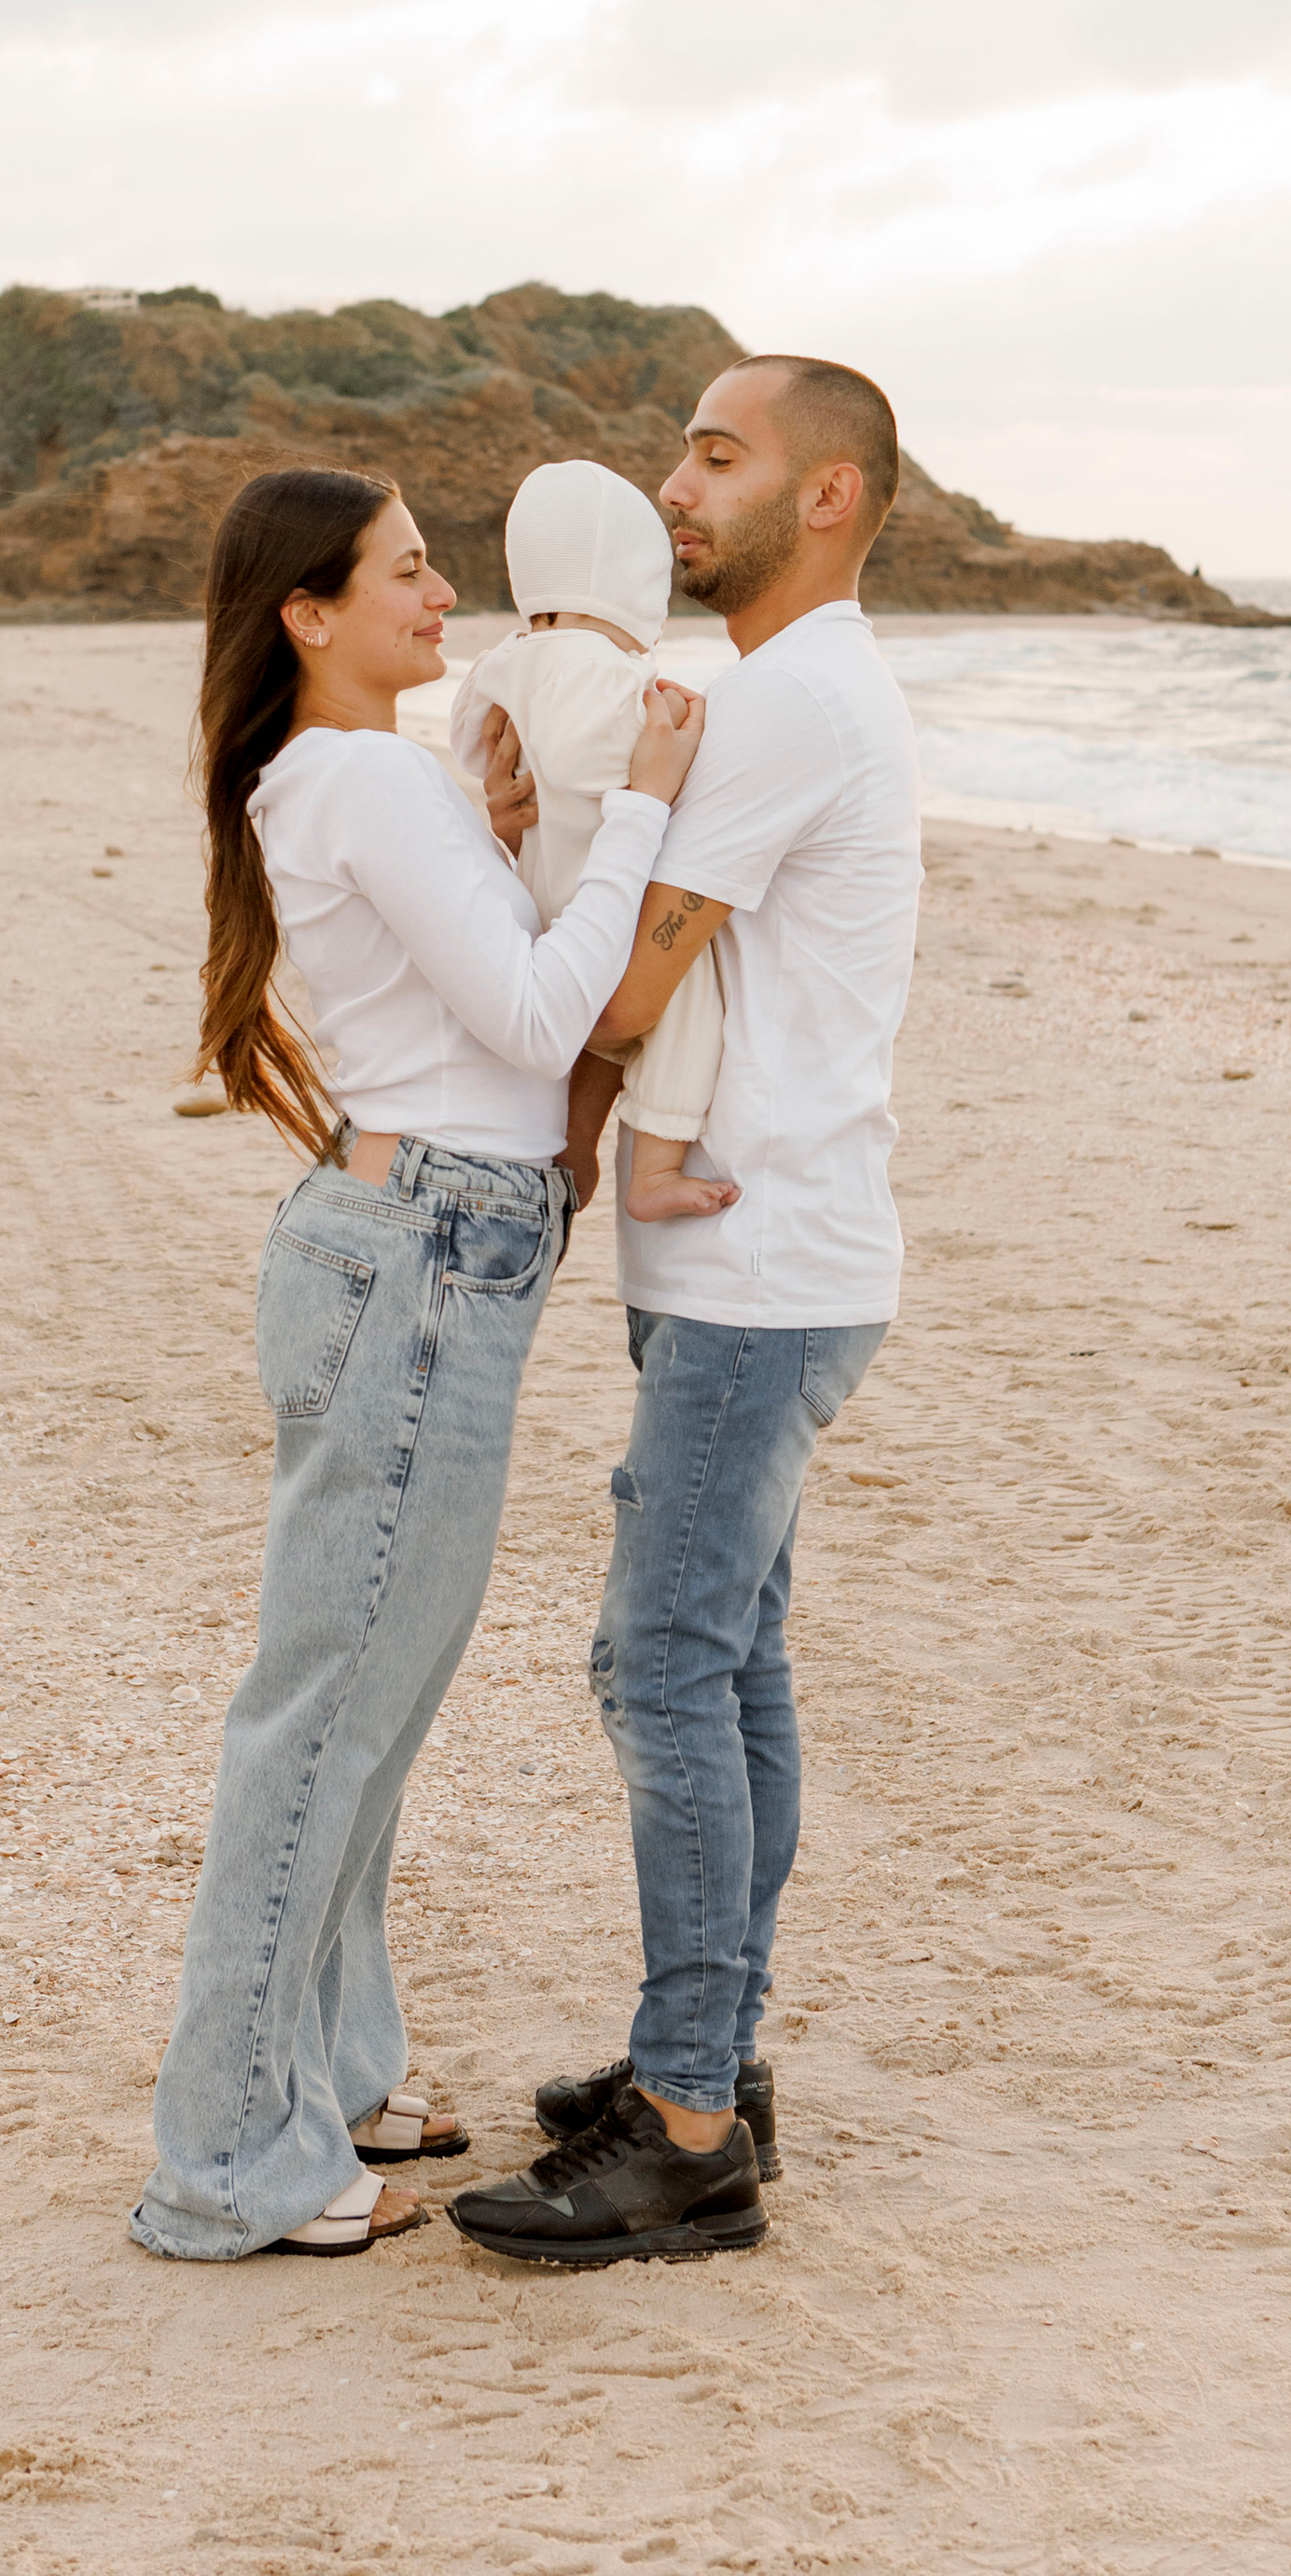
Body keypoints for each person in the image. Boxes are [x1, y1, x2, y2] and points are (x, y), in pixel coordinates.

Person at [128, 463, 706, 2263]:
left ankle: (345, 2068)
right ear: (309, 612)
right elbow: (540, 1016)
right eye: (407, 570)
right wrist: (643, 821)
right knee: (326, 1716)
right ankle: (227, 2154)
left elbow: (468, 975)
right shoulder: (360, 773)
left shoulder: (360, 772)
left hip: (425, 1244)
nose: (445, 595)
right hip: (426, 1258)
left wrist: (493, 811)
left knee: (366, 1702)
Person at [449, 355, 923, 2271]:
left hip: (757, 1263)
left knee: (657, 1665)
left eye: (715, 455)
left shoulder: (796, 693)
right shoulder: (771, 690)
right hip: (760, 1254)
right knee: (728, 1667)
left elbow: (636, 976)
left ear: (827, 493)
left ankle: (687, 2123)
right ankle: (709, 2054)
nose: (676, 488)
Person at [447, 460, 735, 1226]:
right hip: (608, 905)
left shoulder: (505, 662)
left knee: (581, 1087)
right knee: (690, 999)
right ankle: (659, 1162)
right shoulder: (615, 679)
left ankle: (574, 1161)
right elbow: (619, 752)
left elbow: (477, 748)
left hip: (541, 906)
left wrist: (512, 761)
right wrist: (672, 722)